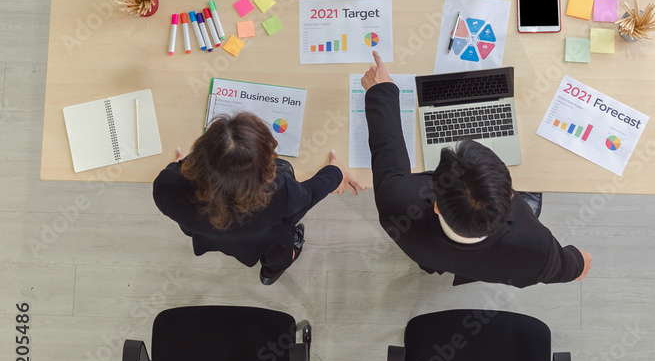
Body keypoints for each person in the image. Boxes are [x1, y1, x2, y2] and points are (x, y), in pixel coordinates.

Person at [361, 52, 591, 287]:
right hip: (491, 261)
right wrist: (578, 264)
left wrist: (381, 91)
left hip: (432, 254)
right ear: (511, 195)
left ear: (438, 206)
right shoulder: (537, 249)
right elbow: (571, 266)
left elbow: (387, 153)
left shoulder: (397, 205)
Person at [153, 113, 365, 285]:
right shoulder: (280, 191)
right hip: (265, 240)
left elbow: (175, 174)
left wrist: (180, 167)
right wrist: (335, 174)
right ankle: (270, 274)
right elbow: (307, 197)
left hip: (204, 231)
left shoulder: (165, 187)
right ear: (263, 172)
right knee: (281, 249)